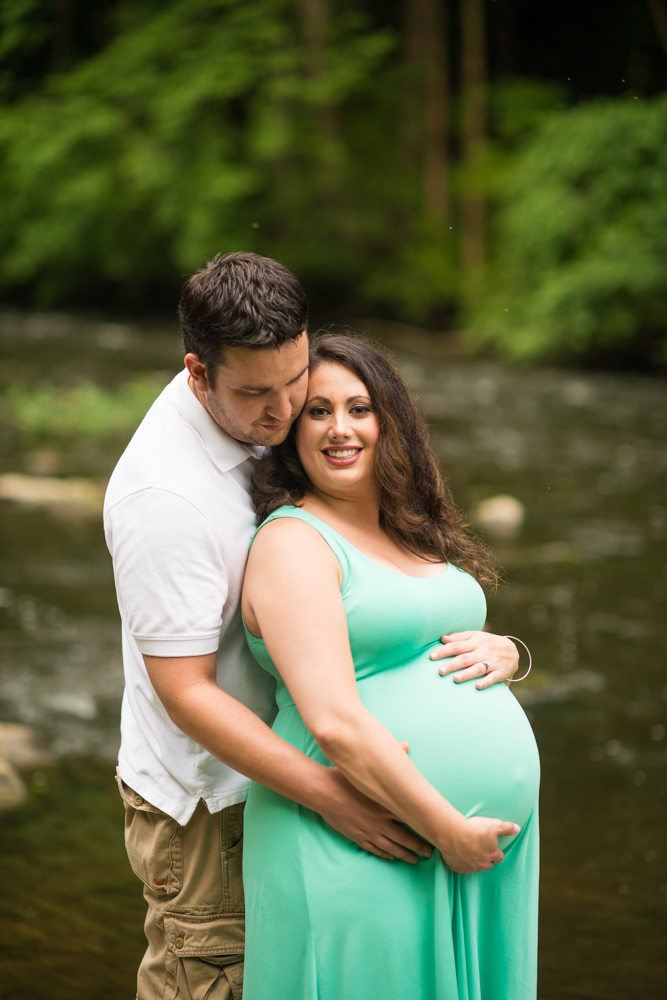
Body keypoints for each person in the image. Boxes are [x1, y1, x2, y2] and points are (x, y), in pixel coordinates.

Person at [104, 253, 521, 1000]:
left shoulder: (278, 409)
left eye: (295, 378)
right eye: (257, 393)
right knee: (213, 981)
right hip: (219, 802)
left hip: (324, 782)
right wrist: (332, 793)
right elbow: (186, 695)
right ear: (198, 374)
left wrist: (505, 652)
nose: (287, 409)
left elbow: (378, 601)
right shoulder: (163, 498)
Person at [241, 333, 540, 1000]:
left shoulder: (406, 526)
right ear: (290, 430)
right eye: (317, 411)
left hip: (464, 847)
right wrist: (447, 829)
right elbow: (336, 722)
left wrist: (511, 652)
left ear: (390, 422)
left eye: (359, 408)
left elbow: (432, 633)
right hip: (363, 838)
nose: (339, 429)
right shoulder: (294, 542)